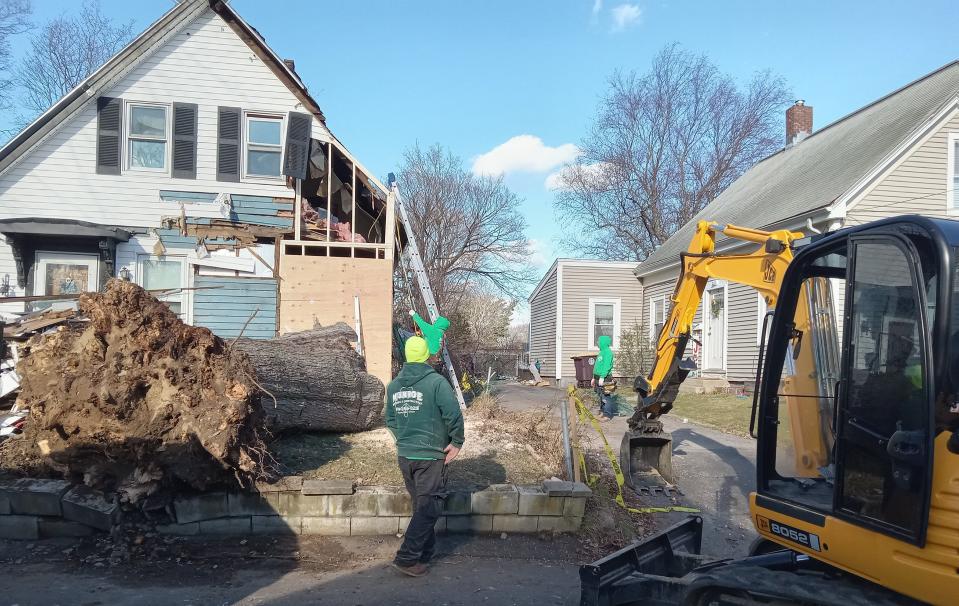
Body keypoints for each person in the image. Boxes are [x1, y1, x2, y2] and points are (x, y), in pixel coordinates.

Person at [385, 336, 465, 577]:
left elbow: (390, 421)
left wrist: (404, 440)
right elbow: (453, 415)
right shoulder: (436, 383)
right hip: (430, 456)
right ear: (426, 356)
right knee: (429, 508)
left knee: (422, 506)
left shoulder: (394, 386)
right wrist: (457, 442)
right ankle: (407, 558)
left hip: (405, 456)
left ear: (407, 356)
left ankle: (424, 553)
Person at [591, 335, 616, 421]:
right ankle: (602, 411)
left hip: (605, 378)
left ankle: (607, 415)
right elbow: (597, 366)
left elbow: (607, 366)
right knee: (600, 395)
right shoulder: (601, 352)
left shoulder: (608, 352)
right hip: (598, 378)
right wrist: (594, 377)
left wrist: (602, 377)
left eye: (599, 341)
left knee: (606, 396)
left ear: (603, 342)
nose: (597, 343)